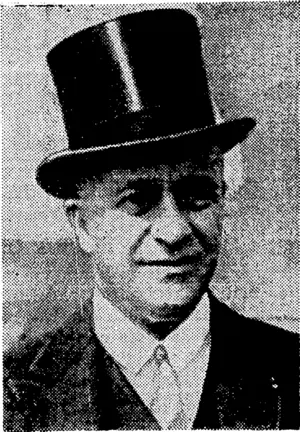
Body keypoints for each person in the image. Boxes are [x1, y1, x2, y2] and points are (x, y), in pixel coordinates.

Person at [4, 9, 299, 431]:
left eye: (197, 195)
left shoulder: (291, 370)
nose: (175, 230)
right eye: (137, 201)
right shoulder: (13, 388)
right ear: (83, 225)